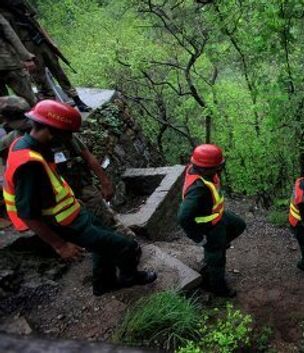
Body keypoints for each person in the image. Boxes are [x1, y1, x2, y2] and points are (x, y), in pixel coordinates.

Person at [2, 100, 156, 296]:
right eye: (67, 134)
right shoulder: (29, 164)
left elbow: (51, 187)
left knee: (103, 248)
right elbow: (28, 214)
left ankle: (104, 284)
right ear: (51, 131)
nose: (68, 139)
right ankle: (129, 277)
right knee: (127, 247)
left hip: (74, 213)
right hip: (65, 224)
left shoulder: (29, 145)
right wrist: (60, 245)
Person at [0, 95, 134, 237]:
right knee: (85, 232)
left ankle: (126, 242)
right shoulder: (11, 143)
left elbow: (86, 155)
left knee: (108, 222)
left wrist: (105, 181)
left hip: (80, 186)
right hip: (53, 200)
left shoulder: (59, 130)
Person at [177, 144, 246, 297]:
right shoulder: (198, 189)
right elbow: (183, 216)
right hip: (208, 226)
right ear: (205, 168)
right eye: (217, 167)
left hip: (217, 216)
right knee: (217, 260)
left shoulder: (202, 172)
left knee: (239, 225)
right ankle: (218, 288)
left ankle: (216, 248)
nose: (220, 169)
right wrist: (198, 238)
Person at [0, 1, 91, 111]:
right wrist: (24, 57)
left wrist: (51, 42)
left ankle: (77, 100)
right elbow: (9, 37)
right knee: (40, 79)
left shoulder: (20, 4)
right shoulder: (3, 13)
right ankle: (53, 108)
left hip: (40, 40)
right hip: (26, 47)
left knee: (58, 71)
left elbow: (34, 17)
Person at [0, 12, 36, 106]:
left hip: (8, 62)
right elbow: (9, 33)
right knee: (28, 99)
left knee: (2, 108)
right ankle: (37, 119)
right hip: (8, 62)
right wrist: (26, 57)